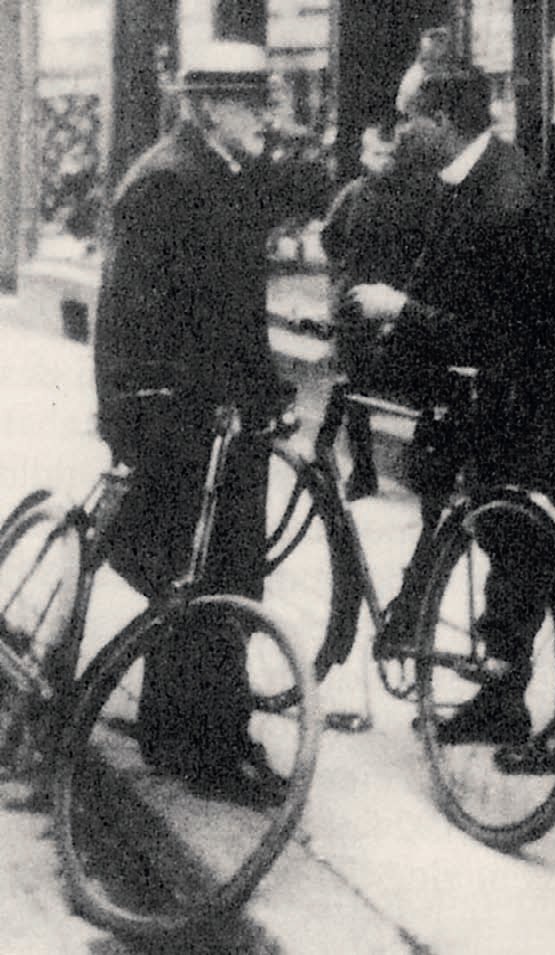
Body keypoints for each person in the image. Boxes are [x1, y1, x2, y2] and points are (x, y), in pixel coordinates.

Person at [350, 66, 555, 771]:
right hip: (520, 398)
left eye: (407, 117)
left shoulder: (508, 198)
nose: (399, 132)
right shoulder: (471, 179)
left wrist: (402, 312)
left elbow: (497, 335)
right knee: (507, 544)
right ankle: (501, 698)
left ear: (440, 120)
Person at [94, 66, 326, 802]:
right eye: (249, 103)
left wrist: (266, 393)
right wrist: (152, 411)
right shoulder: (170, 180)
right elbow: (141, 316)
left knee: (204, 579)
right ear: (206, 108)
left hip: (219, 416)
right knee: (211, 581)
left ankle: (174, 732)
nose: (264, 116)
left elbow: (232, 313)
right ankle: (213, 749)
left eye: (264, 101)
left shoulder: (217, 172)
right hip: (183, 419)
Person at [321, 118, 439, 499]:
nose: (383, 161)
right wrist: (343, 279)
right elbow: (330, 238)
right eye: (376, 153)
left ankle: (424, 465)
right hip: (356, 304)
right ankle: (363, 470)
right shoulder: (352, 195)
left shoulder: (416, 199)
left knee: (423, 389)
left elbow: (425, 249)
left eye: (389, 154)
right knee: (353, 392)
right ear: (363, 155)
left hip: (396, 300)